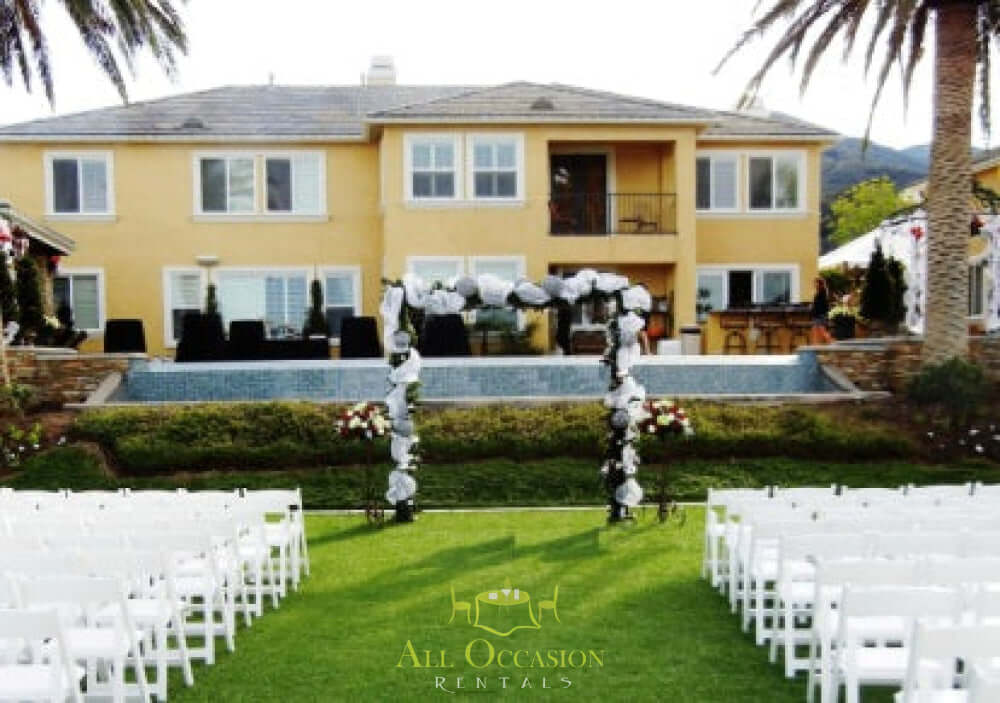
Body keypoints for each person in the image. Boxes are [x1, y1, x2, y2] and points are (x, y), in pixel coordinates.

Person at [810, 277, 833, 345]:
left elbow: (822, 305)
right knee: (815, 332)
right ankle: (815, 348)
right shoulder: (820, 292)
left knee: (823, 332)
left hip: (820, 315)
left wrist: (813, 307)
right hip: (817, 316)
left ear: (819, 284)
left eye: (815, 283)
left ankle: (833, 346)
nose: (814, 284)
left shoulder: (822, 292)